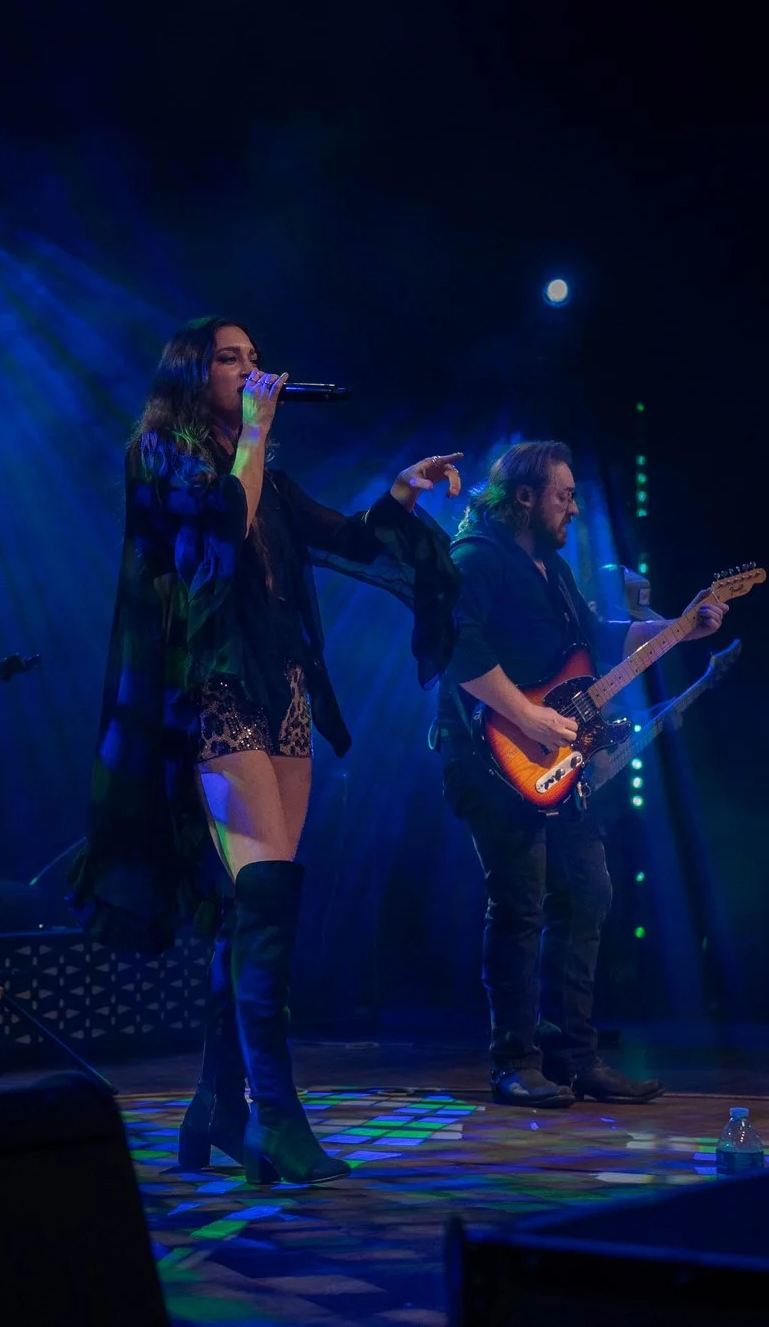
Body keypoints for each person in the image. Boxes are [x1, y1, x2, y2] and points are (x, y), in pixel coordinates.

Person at [72, 317, 461, 1185]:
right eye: (233, 358)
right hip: (210, 688)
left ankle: (219, 1106)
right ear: (192, 369)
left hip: (281, 686)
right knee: (266, 890)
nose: (254, 370)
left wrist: (399, 494)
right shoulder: (160, 454)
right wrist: (252, 432)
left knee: (261, 904)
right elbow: (218, 526)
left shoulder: (270, 476)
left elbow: (350, 540)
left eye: (255, 358)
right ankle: (277, 1119)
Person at [436, 442, 726, 1107]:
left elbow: (596, 636)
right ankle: (514, 1061)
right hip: (489, 758)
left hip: (555, 762)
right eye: (562, 494)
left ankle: (575, 1057)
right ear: (525, 497)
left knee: (589, 891)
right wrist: (527, 719)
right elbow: (457, 643)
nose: (572, 506)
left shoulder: (554, 569)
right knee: (521, 904)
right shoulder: (477, 557)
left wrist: (680, 627)